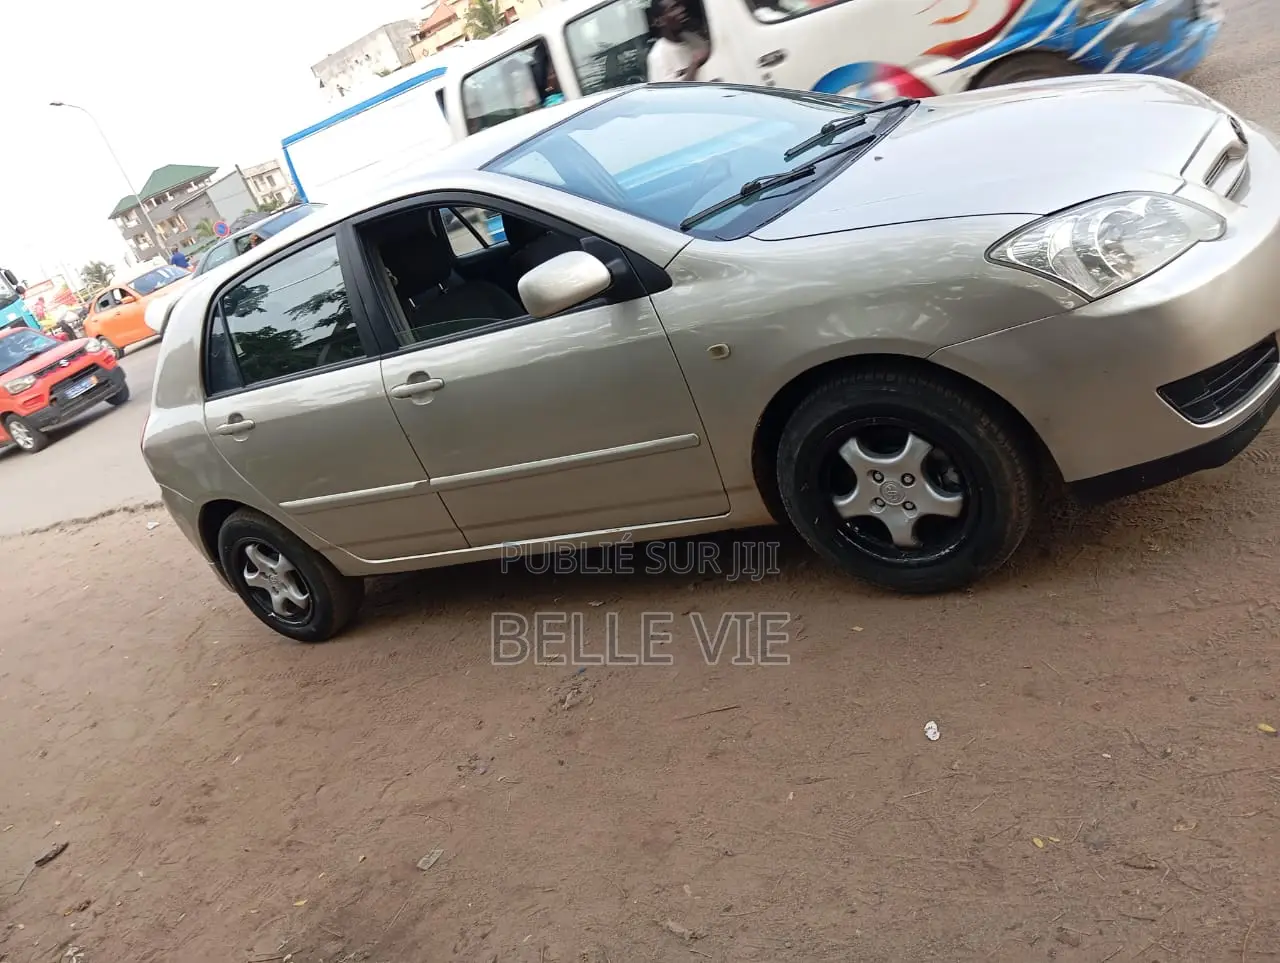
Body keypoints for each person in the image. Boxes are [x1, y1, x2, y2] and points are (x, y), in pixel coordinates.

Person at [646, 0, 710, 83]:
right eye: (673, 8)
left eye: (680, 5)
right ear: (659, 21)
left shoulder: (693, 38)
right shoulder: (658, 56)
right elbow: (672, 94)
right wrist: (694, 64)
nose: (682, 9)